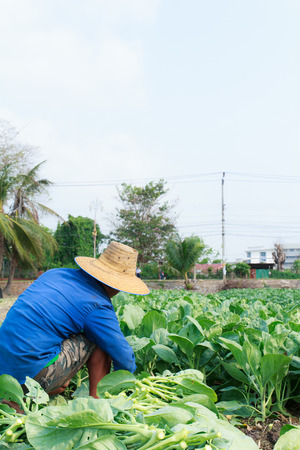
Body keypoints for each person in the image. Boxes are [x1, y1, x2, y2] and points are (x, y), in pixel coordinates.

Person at [0, 241, 149, 401]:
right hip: (29, 377)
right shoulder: (97, 303)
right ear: (115, 285)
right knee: (99, 340)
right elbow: (124, 357)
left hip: (4, 374)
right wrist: (125, 383)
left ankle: (16, 397)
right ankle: (97, 404)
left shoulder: (55, 274)